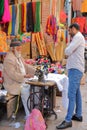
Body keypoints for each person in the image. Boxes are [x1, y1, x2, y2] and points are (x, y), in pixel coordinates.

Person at [56, 23, 85, 129]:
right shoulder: (78, 37)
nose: (68, 32)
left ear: (74, 29)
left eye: (69, 30)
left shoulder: (78, 37)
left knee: (71, 94)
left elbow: (67, 51)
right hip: (75, 68)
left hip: (76, 69)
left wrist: (67, 48)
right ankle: (78, 115)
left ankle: (68, 120)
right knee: (76, 93)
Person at [3, 38, 36, 119]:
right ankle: (29, 114)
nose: (20, 50)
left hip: (22, 80)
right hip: (13, 83)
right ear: (13, 49)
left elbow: (26, 66)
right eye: (18, 48)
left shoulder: (18, 56)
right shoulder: (9, 59)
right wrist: (25, 76)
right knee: (26, 90)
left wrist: (35, 70)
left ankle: (35, 109)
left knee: (35, 86)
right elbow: (13, 75)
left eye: (20, 48)